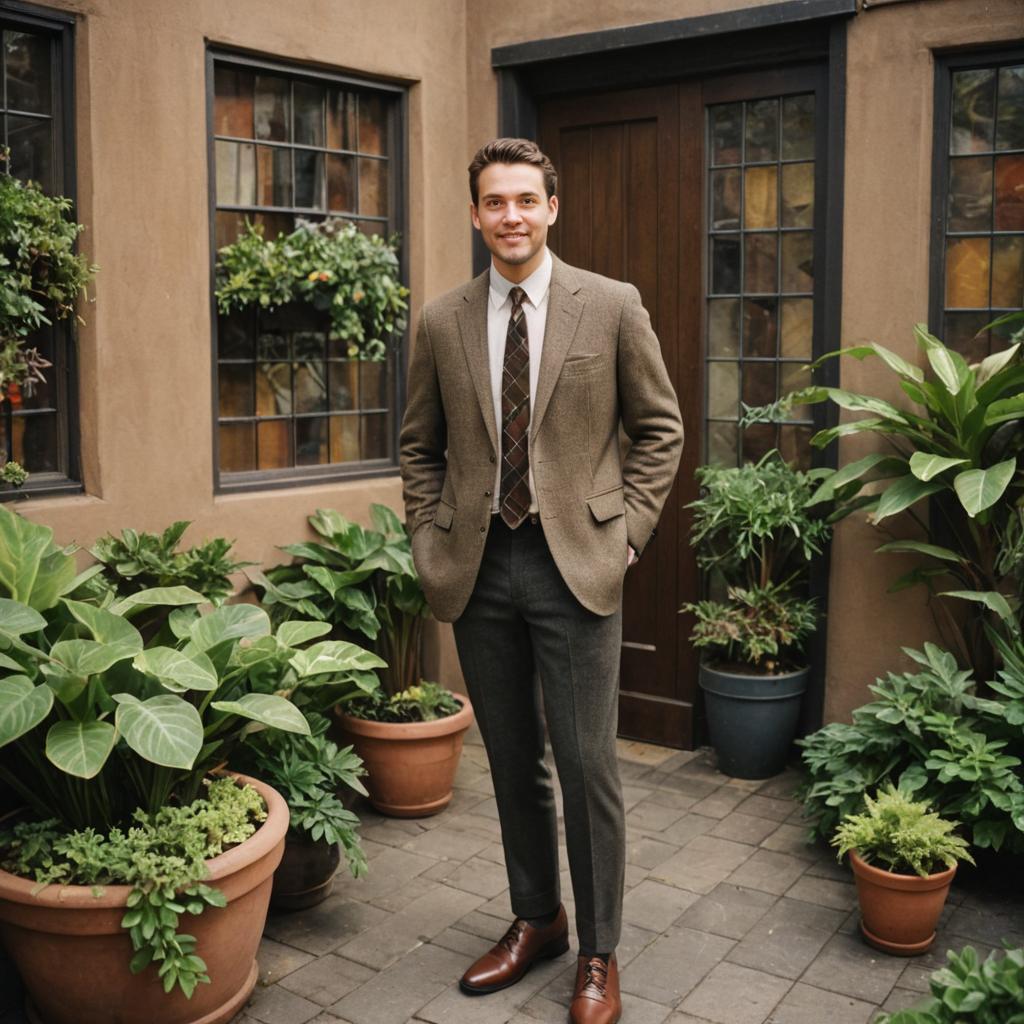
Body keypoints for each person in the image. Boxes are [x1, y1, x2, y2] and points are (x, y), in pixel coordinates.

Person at [399, 137, 683, 1024]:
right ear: (475, 213)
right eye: (495, 201)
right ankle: (538, 919)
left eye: (526, 199)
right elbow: (419, 446)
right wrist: (426, 536)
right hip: (478, 567)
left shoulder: (612, 306)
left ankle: (599, 952)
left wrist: (627, 536)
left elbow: (660, 429)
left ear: (552, 207)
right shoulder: (443, 319)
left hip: (578, 567)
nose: (511, 215)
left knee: (588, 763)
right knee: (513, 762)